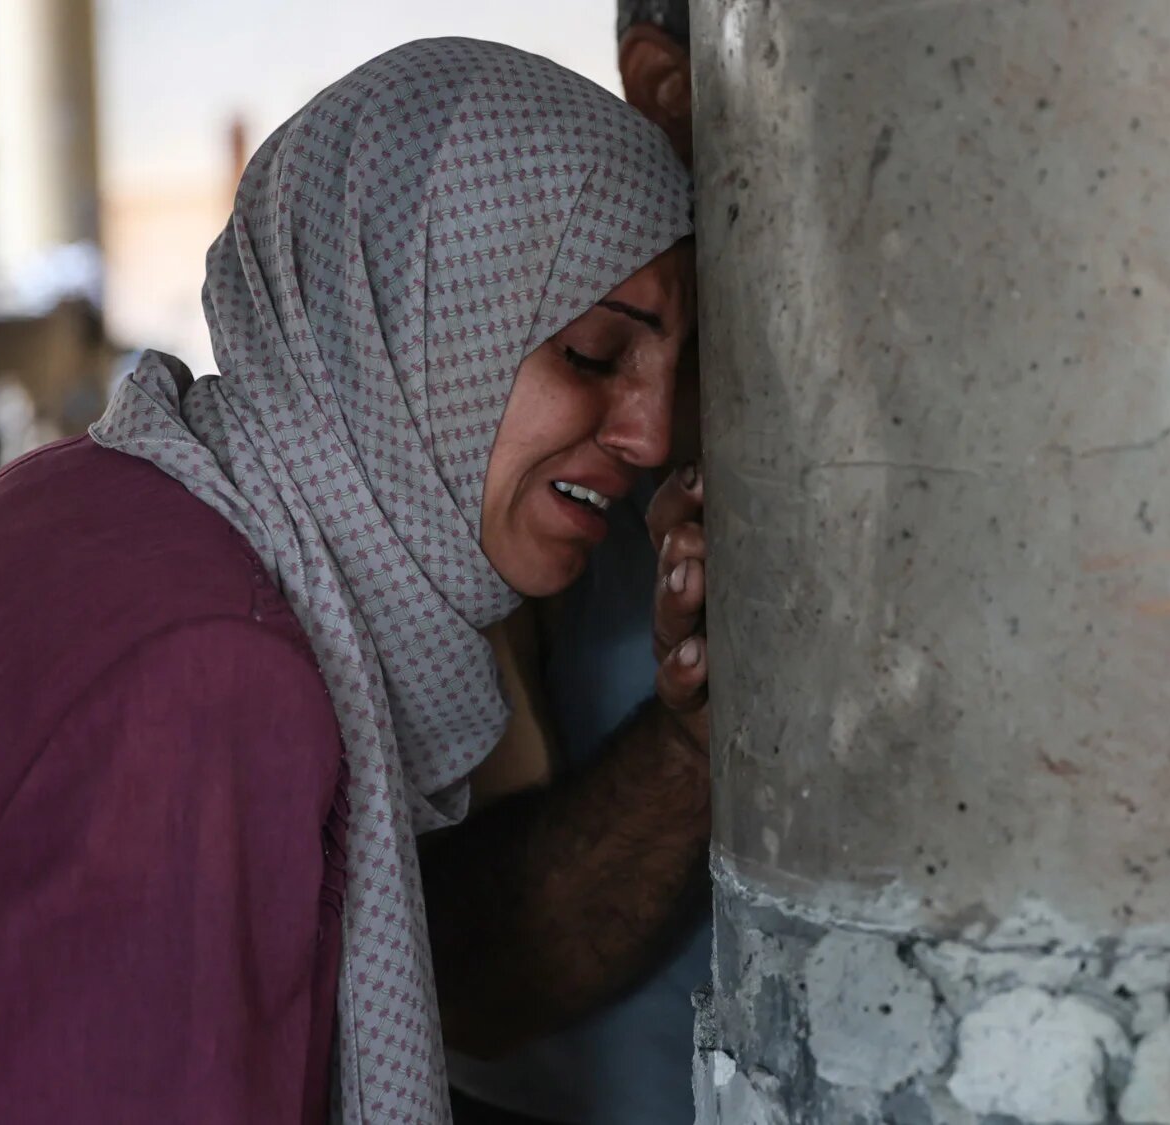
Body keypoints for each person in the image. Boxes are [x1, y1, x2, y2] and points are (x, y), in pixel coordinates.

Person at [0, 38, 709, 1125]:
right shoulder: (212, 675)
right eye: (595, 356)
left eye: (675, 370)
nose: (648, 435)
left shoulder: (113, 499)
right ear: (415, 330)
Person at [441, 5, 707, 1124]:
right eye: (599, 354)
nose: (638, 433)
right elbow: (471, 977)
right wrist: (698, 732)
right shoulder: (484, 426)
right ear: (668, 84)